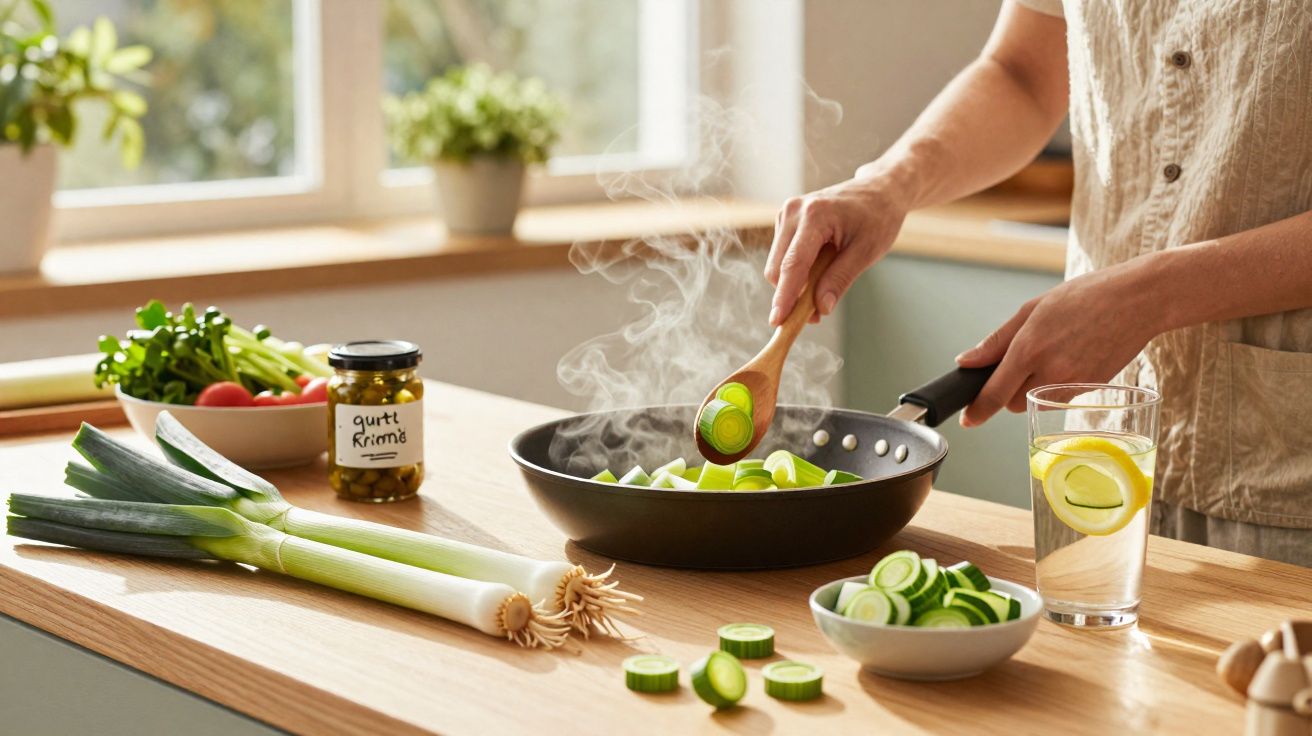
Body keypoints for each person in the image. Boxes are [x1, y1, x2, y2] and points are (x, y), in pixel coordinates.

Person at [765, 1, 1312, 566]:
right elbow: (1022, 74)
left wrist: (1150, 296)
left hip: (1286, 462)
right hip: (1099, 444)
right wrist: (889, 183)